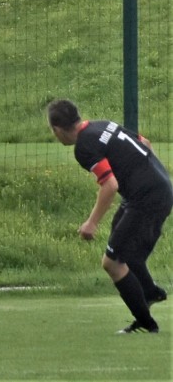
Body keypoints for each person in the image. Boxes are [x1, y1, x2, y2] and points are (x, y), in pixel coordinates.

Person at [47, 99, 170, 334]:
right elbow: (145, 143)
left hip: (145, 199)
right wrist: (149, 177)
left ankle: (146, 323)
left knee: (111, 262)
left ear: (57, 129)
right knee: (126, 252)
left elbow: (110, 185)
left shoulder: (83, 146)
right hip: (157, 189)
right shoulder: (102, 125)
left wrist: (91, 223)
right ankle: (150, 292)